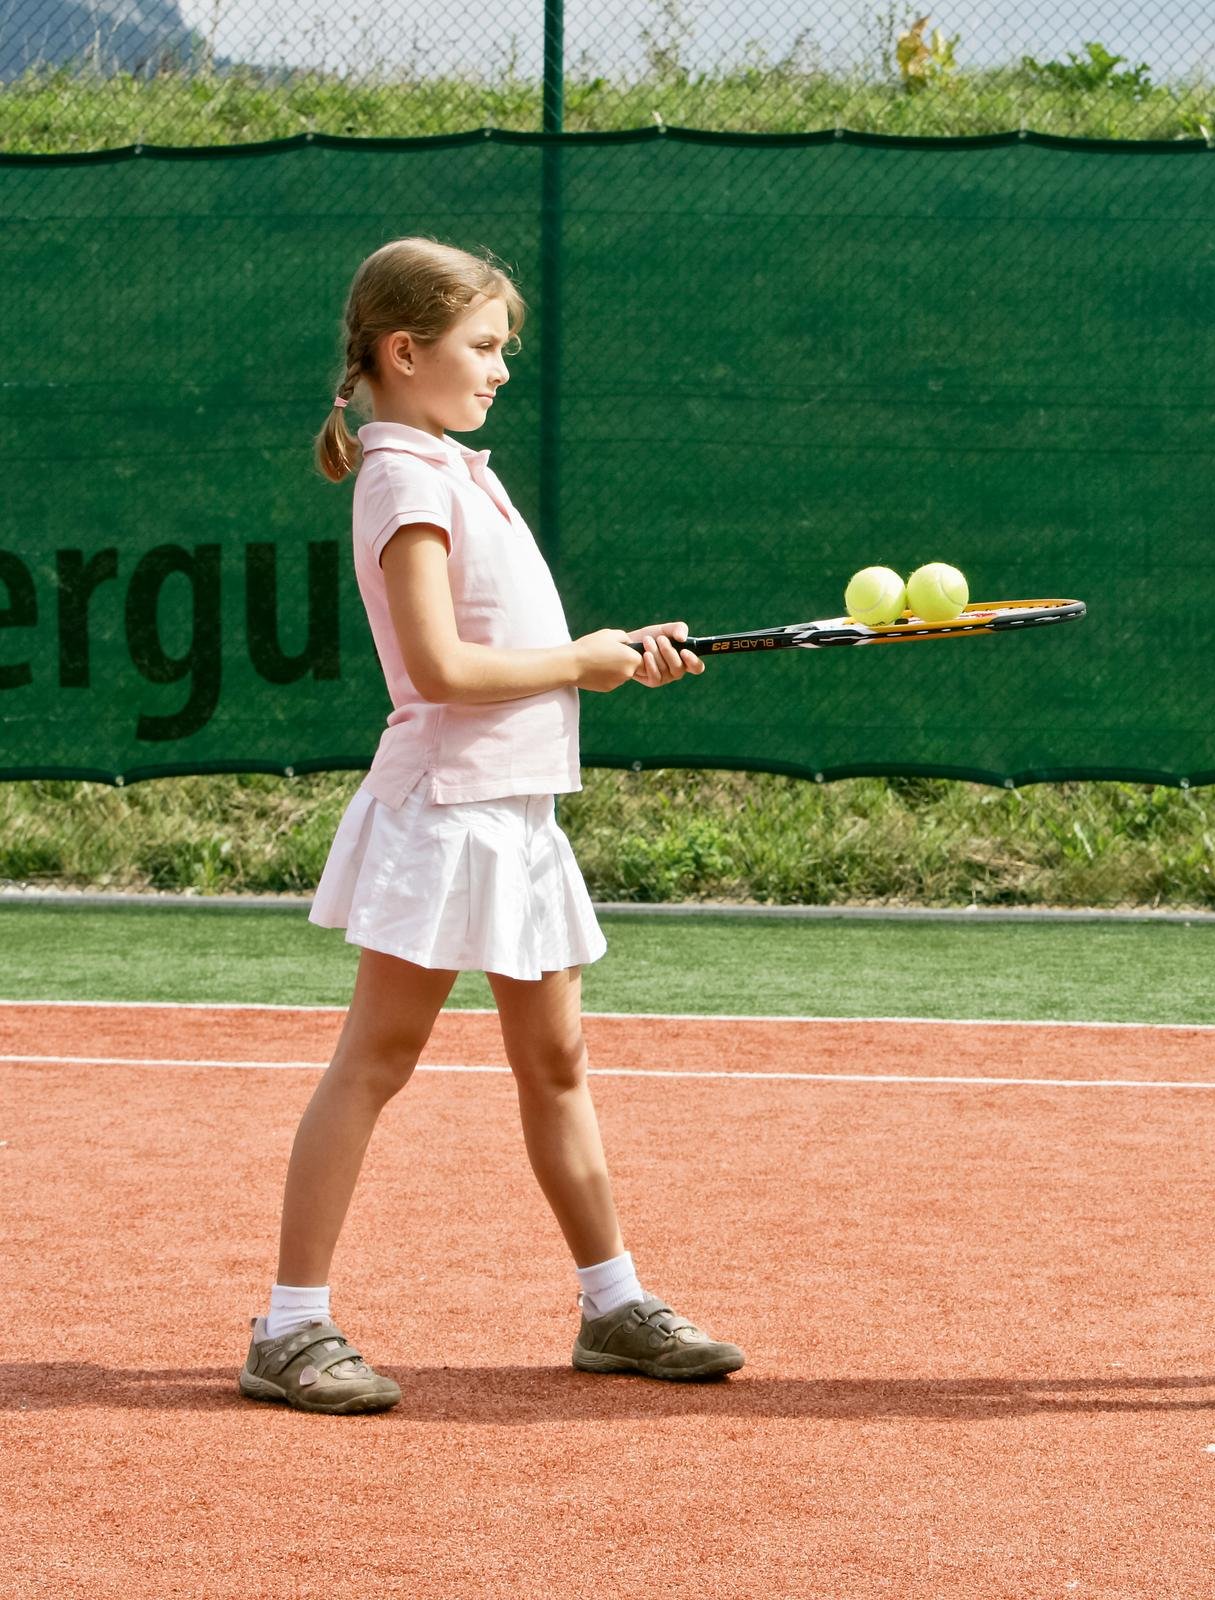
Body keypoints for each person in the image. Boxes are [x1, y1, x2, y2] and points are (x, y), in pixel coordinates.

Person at [239, 237, 741, 1414]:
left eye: (503, 349)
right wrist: (583, 659)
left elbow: (511, 653)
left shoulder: (458, 467)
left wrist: (611, 659)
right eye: (483, 347)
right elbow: (440, 665)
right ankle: (290, 1325)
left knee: (556, 1061)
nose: (502, 369)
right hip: (444, 814)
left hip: (515, 815)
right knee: (377, 1059)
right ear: (403, 354)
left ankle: (613, 1304)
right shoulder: (404, 478)